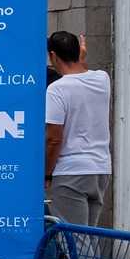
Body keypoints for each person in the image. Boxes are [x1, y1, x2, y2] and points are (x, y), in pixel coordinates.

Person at [45, 31, 112, 226]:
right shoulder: (102, 79)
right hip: (100, 169)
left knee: (75, 241)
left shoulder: (57, 89)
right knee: (89, 238)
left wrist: (47, 174)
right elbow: (82, 74)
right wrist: (81, 59)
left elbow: (54, 139)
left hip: (70, 172)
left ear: (53, 56)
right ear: (78, 52)